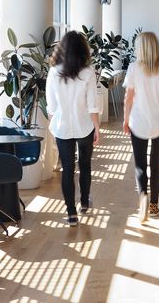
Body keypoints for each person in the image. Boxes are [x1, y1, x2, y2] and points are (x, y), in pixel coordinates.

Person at [46, 31, 101, 227]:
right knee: (85, 165)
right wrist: (97, 128)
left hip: (61, 127)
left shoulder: (54, 72)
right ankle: (84, 202)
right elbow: (92, 104)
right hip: (84, 125)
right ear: (82, 49)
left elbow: (51, 107)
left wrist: (55, 127)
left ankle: (71, 213)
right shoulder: (88, 72)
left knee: (67, 169)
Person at [123, 31, 159, 223]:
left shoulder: (133, 68)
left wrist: (125, 120)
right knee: (155, 163)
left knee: (140, 164)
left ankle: (143, 197)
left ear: (140, 48)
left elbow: (128, 98)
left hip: (138, 122)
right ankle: (154, 205)